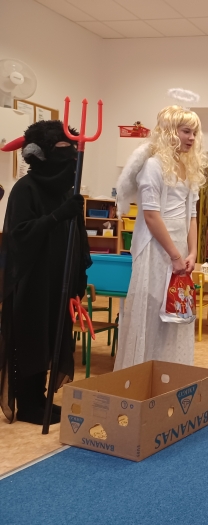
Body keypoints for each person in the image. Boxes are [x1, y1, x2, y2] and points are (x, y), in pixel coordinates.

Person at [0, 120, 91, 425]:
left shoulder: (66, 191)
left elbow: (77, 236)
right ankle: (27, 403)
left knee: (52, 336)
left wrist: (78, 276)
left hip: (59, 279)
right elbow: (18, 236)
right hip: (32, 280)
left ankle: (40, 398)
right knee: (32, 338)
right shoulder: (25, 189)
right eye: (64, 147)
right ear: (39, 152)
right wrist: (56, 217)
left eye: (73, 148)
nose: (72, 155)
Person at [114, 106, 207, 370]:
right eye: (186, 131)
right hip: (156, 249)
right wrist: (174, 255)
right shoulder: (153, 166)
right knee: (152, 312)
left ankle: (169, 372)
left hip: (179, 251)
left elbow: (192, 215)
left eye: (194, 132)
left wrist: (192, 253)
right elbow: (152, 216)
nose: (191, 138)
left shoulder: (188, 168)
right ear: (170, 132)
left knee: (176, 313)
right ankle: (143, 374)